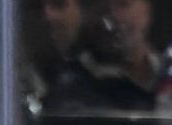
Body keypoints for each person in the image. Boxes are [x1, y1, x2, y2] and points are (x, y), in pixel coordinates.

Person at [34, 0, 162, 113]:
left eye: (123, 4)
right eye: (103, 7)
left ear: (146, 9)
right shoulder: (73, 83)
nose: (114, 16)